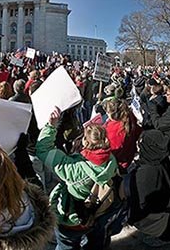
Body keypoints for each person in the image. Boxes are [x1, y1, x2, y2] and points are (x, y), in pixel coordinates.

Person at [37, 107, 123, 250]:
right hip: (99, 213)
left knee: (66, 245)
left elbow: (42, 149)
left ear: (85, 142)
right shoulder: (111, 160)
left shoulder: (73, 167)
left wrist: (51, 126)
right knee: (96, 240)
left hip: (72, 219)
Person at [125, 130, 170, 247]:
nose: (138, 145)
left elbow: (141, 202)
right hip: (168, 199)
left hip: (156, 212)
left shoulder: (144, 173)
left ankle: (165, 237)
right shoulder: (164, 156)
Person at [103, 98, 141, 174]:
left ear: (113, 114)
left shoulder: (114, 132)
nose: (107, 114)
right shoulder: (129, 116)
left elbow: (113, 153)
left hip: (119, 164)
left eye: (107, 112)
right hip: (129, 153)